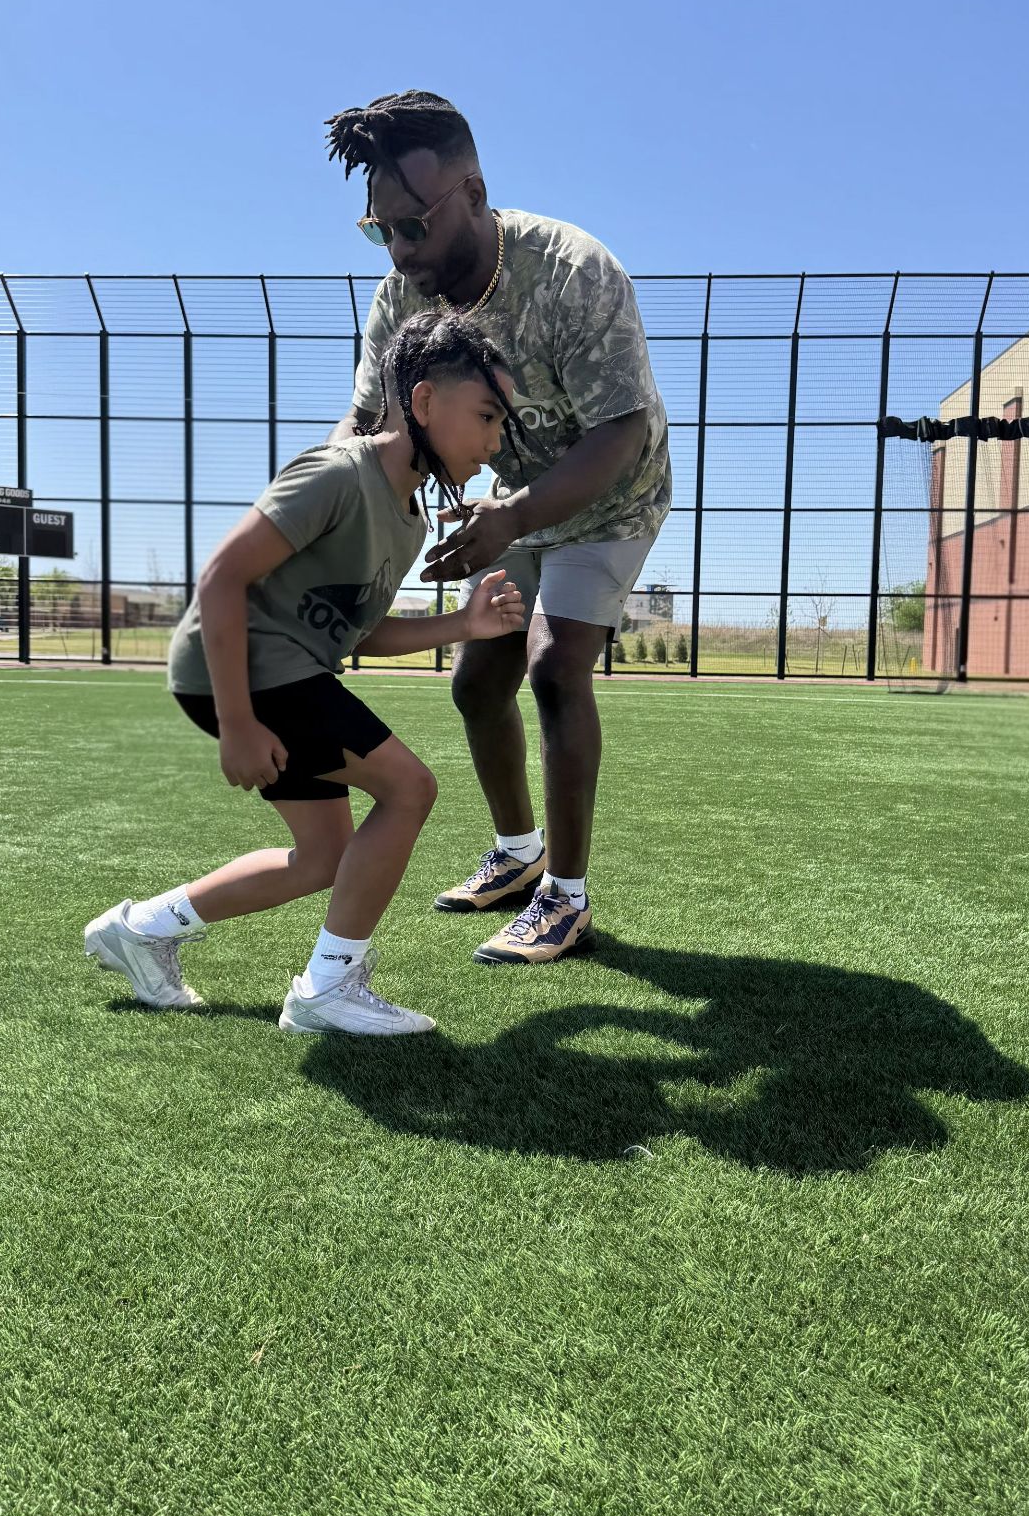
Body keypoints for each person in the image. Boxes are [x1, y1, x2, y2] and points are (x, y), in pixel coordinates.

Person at [83, 310, 526, 1036]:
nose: (492, 441)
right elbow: (222, 576)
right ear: (422, 403)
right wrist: (236, 723)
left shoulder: (410, 518)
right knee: (409, 787)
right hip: (249, 672)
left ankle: (141, 930)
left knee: (323, 856)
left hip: (286, 673)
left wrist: (462, 626)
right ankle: (328, 989)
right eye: (484, 416)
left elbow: (357, 629)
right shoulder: (339, 473)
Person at [325, 91, 672, 965]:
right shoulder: (400, 298)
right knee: (479, 683)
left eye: (415, 226)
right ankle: (520, 857)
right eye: (382, 232)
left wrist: (511, 516)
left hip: (614, 492)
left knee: (555, 667)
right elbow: (366, 423)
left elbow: (620, 431)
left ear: (474, 193)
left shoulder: (573, 270)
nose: (402, 253)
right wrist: (319, 516)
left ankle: (568, 899)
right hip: (510, 498)